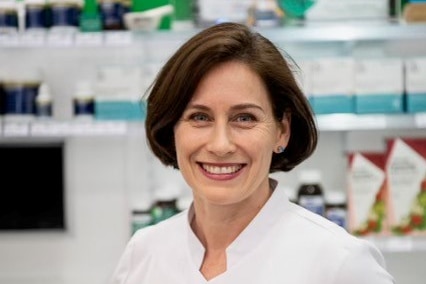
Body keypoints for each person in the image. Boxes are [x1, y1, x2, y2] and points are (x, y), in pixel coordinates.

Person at [110, 22, 395, 284]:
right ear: (172, 129)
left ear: (282, 130)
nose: (221, 145)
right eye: (199, 117)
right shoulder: (144, 253)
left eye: (244, 118)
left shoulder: (339, 263)